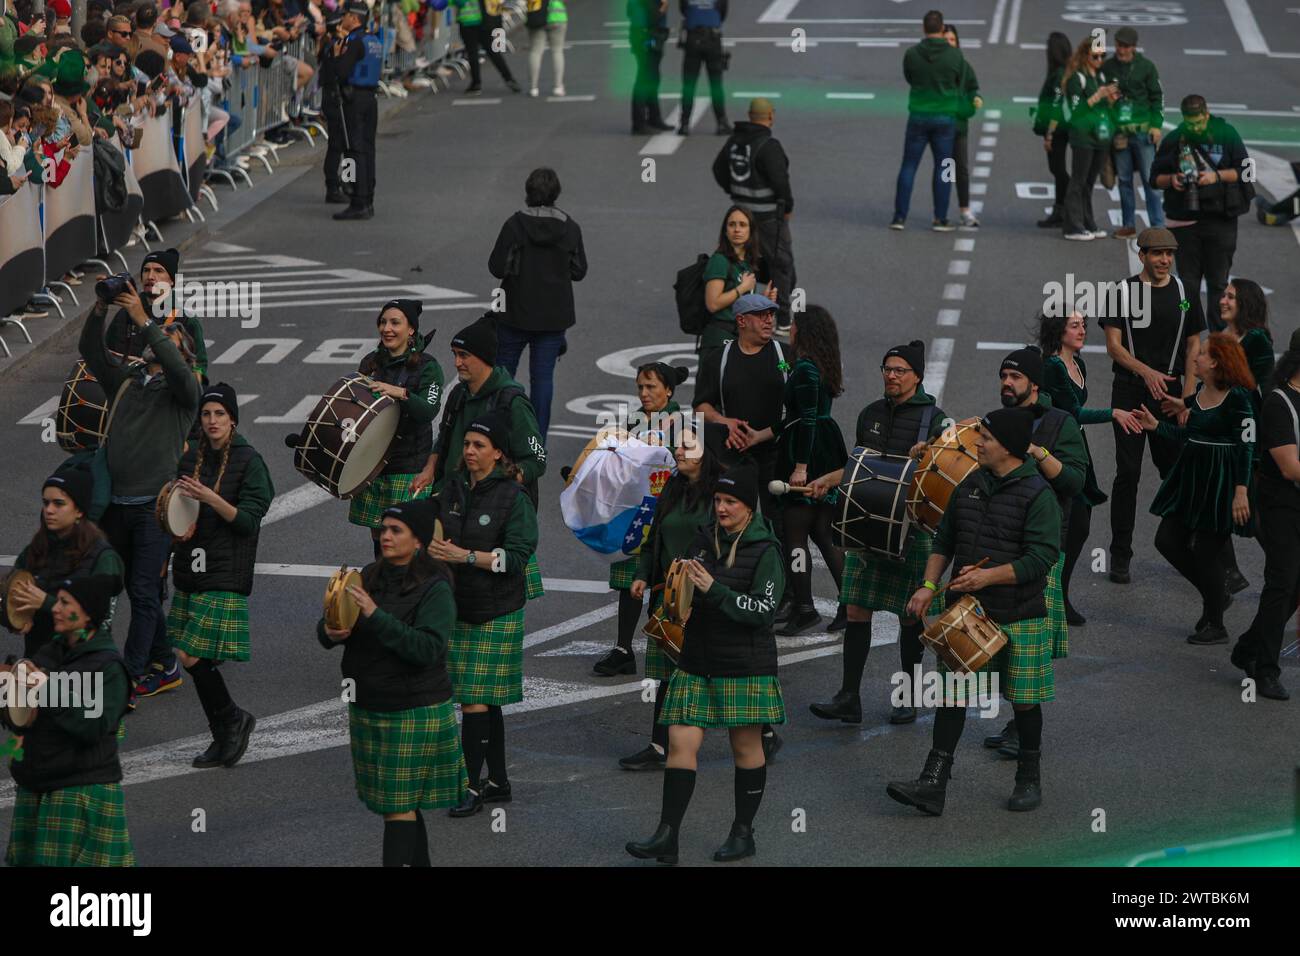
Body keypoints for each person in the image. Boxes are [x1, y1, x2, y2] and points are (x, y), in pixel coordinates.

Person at [887, 407, 1060, 816]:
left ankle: (1028, 778)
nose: (977, 443)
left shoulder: (1039, 495)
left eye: (986, 438)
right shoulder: (969, 484)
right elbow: (943, 540)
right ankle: (933, 784)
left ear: (1011, 448)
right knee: (951, 696)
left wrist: (987, 578)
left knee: (1023, 701)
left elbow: (1041, 558)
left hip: (1020, 613)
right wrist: (929, 586)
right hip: (968, 612)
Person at [625, 459, 786, 863]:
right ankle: (667, 835)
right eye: (718, 500)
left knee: (746, 746)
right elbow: (683, 589)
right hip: (697, 658)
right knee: (680, 741)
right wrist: (677, 597)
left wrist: (713, 590)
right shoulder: (702, 541)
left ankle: (742, 833)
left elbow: (762, 611)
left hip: (744, 664)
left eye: (731, 501)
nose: (722, 508)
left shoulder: (767, 551)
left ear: (749, 506)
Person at [317, 500, 469, 865]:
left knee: (397, 808)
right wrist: (332, 632)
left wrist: (374, 614)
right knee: (402, 806)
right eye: (384, 529)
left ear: (417, 540)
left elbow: (428, 649)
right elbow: (330, 628)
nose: (385, 535)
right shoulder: (368, 575)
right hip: (371, 703)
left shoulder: (436, 588)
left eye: (395, 530)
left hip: (414, 708)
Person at [808, 340, 948, 725]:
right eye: (887, 368)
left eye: (900, 370)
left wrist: (930, 454)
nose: (891, 375)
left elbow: (947, 473)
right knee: (855, 608)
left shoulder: (935, 420)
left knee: (910, 615)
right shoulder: (870, 413)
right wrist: (828, 479)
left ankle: (908, 696)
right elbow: (859, 466)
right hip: (867, 520)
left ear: (916, 376)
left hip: (911, 528)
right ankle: (849, 697)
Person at [81, 275, 202, 704]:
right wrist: (101, 307)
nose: (158, 334)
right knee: (118, 586)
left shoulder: (185, 392)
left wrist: (144, 319)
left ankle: (129, 678)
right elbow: (90, 354)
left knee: (146, 592)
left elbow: (178, 369)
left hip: (154, 507)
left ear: (181, 351)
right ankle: (165, 661)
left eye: (169, 334)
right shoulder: (131, 381)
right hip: (115, 504)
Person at [979, 347, 1088, 758]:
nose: (1007, 383)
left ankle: (1021, 733)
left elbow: (1076, 482)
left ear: (1035, 385)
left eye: (1016, 377)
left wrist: (1039, 454)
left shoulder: (1061, 423)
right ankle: (1017, 723)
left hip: (1042, 547)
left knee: (1029, 647)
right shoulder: (998, 421)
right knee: (1004, 643)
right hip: (999, 543)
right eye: (1003, 375)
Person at [433, 411, 539, 817]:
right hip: (461, 606)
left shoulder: (514, 498)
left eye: (479, 445)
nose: (470, 451)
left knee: (473, 700)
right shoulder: (454, 488)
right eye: (467, 444)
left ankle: (471, 787)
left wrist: (467, 557)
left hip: (497, 611)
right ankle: (498, 782)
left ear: (498, 453)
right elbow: (434, 525)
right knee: (485, 700)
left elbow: (516, 558)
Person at [168, 384, 273, 769]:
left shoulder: (250, 461)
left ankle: (231, 722)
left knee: (192, 654)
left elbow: (248, 522)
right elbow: (176, 513)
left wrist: (211, 498)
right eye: (207, 414)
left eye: (219, 414)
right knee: (189, 654)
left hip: (226, 569)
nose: (211, 421)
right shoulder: (190, 458)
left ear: (233, 419)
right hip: (190, 567)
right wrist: (177, 530)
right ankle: (227, 727)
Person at [3, 575, 135, 866]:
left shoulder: (109, 669)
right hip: (38, 786)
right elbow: (23, 717)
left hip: (78, 794)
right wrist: (8, 688)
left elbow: (94, 725)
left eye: (65, 603)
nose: (56, 609)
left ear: (88, 613)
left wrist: (47, 688)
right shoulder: (50, 652)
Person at [1100, 227, 1205, 583]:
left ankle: (1188, 543)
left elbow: (1194, 346)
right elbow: (1114, 346)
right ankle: (1120, 555)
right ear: (1141, 255)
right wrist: (1146, 372)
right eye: (1157, 253)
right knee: (1128, 473)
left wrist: (1188, 398)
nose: (1164, 260)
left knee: (1175, 470)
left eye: (1169, 254)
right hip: (1130, 390)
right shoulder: (1122, 292)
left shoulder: (1185, 292)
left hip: (1171, 394)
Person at [617, 427, 724, 769]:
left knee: (719, 673)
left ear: (707, 454)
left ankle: (761, 730)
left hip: (704, 599)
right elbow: (653, 541)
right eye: (678, 445)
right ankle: (659, 747)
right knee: (666, 675)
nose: (679, 451)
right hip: (670, 596)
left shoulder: (721, 495)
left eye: (689, 446)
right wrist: (640, 576)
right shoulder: (672, 489)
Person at [1138, 333, 1254, 644]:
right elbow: (1189, 436)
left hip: (1220, 485)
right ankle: (1216, 595)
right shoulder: (1201, 393)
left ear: (1216, 363)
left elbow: (1247, 448)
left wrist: (1241, 492)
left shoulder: (1239, 399)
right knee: (1167, 540)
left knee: (1206, 553)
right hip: (1191, 482)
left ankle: (1215, 623)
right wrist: (1155, 426)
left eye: (1202, 354)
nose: (1195, 358)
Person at [1039, 312, 1141, 625]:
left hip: (1075, 448)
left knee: (1080, 527)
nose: (1083, 329)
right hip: (1055, 449)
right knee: (1063, 527)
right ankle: (1050, 597)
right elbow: (1073, 411)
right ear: (1059, 331)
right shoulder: (1052, 366)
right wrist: (1114, 413)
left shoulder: (1078, 364)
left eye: (1084, 325)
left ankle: (1059, 594)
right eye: (1075, 325)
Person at [593, 363, 690, 677]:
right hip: (634, 510)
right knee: (628, 580)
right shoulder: (631, 420)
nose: (644, 394)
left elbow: (685, 466)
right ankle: (623, 649)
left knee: (666, 580)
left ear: (669, 391)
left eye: (651, 387)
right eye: (640, 388)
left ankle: (670, 645)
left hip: (669, 511)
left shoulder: (683, 424)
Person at [488, 167, 588, 441]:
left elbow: (497, 266)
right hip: (554, 318)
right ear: (556, 194)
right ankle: (536, 441)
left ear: (527, 193)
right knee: (542, 380)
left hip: (515, 314)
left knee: (504, 375)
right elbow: (579, 271)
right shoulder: (570, 227)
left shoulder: (515, 225)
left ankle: (496, 432)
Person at [766, 304, 847, 636]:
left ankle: (804, 607)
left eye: (794, 327)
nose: (790, 330)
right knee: (824, 533)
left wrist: (800, 467)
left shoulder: (807, 371)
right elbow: (789, 371)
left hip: (808, 451)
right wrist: (778, 357)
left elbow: (808, 417)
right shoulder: (813, 365)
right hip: (824, 448)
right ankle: (848, 604)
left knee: (794, 532)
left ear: (805, 331)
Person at [347, 300, 444, 559]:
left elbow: (428, 410)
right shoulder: (370, 362)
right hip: (373, 465)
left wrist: (401, 393)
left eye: (395, 322)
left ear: (411, 329)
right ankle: (384, 590)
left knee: (408, 538)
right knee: (381, 537)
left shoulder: (428, 366)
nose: (386, 328)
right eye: (383, 322)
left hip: (409, 467)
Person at [415, 314, 547, 501]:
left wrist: (497, 485)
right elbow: (444, 439)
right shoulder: (458, 394)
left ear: (484, 357)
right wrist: (429, 470)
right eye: (455, 354)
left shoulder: (513, 403)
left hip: (489, 509)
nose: (457, 363)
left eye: (464, 355)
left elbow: (537, 460)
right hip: (448, 499)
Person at [1234, 329, 1300, 701]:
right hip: (1281, 509)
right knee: (1282, 583)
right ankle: (1266, 669)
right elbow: (1290, 468)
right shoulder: (1278, 403)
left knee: (1295, 588)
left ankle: (1248, 647)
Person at [1150, 95, 1254, 332]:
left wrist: (1216, 176)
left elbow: (1247, 171)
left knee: (1218, 283)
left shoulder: (1226, 133)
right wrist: (1172, 179)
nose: (1195, 128)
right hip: (1185, 220)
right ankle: (1188, 331)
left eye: (1198, 122)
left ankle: (1218, 336)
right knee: (1188, 284)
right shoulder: (1176, 138)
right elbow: (1154, 178)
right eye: (1190, 123)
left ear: (1207, 115)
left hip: (1220, 219)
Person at [692, 293, 789, 530]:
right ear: (742, 321)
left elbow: (804, 405)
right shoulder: (718, 359)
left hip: (777, 455)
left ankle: (777, 566)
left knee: (778, 527)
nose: (769, 320)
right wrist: (724, 421)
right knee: (730, 524)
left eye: (771, 315)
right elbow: (701, 407)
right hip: (733, 457)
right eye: (761, 315)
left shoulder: (786, 355)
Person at [8, 471, 124, 659]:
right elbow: (9, 593)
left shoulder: (103, 558)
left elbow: (98, 627)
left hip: (81, 665)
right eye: (46, 503)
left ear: (79, 510)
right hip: (37, 660)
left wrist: (47, 603)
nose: (49, 510)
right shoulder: (35, 549)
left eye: (59, 503)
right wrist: (14, 618)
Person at [712, 98, 795, 335]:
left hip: (742, 214)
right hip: (768, 217)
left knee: (742, 263)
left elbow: (718, 169)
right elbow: (781, 182)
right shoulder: (769, 145)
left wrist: (733, 190)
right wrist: (787, 206)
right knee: (781, 265)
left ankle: (739, 312)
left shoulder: (734, 142)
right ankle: (782, 319)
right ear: (771, 116)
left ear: (750, 115)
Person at [1217, 277, 1272, 592]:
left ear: (1245, 305)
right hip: (1220, 437)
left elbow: (1260, 389)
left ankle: (1285, 569)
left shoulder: (1256, 341)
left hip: (1247, 438)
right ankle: (1230, 573)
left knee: (1255, 512)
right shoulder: (1222, 336)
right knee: (1214, 507)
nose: (1223, 300)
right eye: (1224, 295)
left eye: (1231, 297)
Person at [890, 10, 965, 232]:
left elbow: (909, 78)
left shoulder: (912, 54)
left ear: (924, 28)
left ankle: (899, 217)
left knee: (909, 166)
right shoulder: (955, 56)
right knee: (944, 167)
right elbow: (958, 80)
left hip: (919, 116)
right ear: (942, 29)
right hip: (945, 118)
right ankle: (940, 218)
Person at [102, 248, 209, 379]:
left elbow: (200, 365)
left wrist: (192, 383)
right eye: (146, 270)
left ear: (172, 281)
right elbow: (105, 352)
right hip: (128, 390)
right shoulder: (125, 313)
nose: (150, 276)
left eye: (159, 271)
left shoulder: (186, 319)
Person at [1103, 26, 1165, 239]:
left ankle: (1157, 226)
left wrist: (1156, 125)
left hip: (1142, 132)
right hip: (1120, 133)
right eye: (1119, 45)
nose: (1121, 50)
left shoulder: (1146, 67)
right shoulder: (1108, 67)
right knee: (1124, 180)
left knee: (1151, 181)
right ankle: (1128, 224)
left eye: (1126, 46)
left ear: (1134, 47)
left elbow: (1157, 98)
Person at [1060, 35, 1117, 240]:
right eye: (1096, 56)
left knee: (1089, 182)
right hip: (1083, 136)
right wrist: (1097, 96)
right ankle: (1072, 226)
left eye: (1103, 56)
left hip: (1100, 136)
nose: (1100, 60)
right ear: (1085, 56)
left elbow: (1105, 106)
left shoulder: (1099, 77)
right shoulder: (1078, 78)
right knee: (1078, 180)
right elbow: (1076, 111)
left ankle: (1088, 221)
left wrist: (1110, 99)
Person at [698, 204, 773, 354]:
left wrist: (762, 300)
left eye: (743, 225)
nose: (737, 229)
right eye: (732, 224)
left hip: (741, 334)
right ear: (725, 231)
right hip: (719, 336)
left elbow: (743, 304)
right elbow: (713, 304)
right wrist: (742, 288)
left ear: (751, 231)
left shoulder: (747, 263)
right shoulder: (719, 261)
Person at [330, 1, 379, 221]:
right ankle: (367, 198)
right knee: (368, 149)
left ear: (355, 18)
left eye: (346, 16)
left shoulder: (355, 40)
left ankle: (356, 199)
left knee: (352, 150)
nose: (343, 20)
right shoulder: (373, 40)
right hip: (371, 98)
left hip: (355, 99)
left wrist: (336, 54)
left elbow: (341, 70)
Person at [941, 23, 981, 228]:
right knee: (947, 169)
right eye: (945, 39)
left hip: (959, 126)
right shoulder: (937, 66)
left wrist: (974, 99)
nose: (949, 43)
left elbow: (973, 88)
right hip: (941, 126)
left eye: (952, 40)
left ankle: (965, 210)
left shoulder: (965, 66)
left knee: (962, 169)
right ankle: (942, 211)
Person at [1032, 32, 1071, 228]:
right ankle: (1061, 208)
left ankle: (1064, 208)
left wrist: (1049, 133)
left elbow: (1055, 103)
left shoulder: (1058, 75)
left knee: (1057, 169)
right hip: (1067, 126)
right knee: (1058, 169)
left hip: (1057, 128)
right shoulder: (1068, 70)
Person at [677, 0, 728, 136]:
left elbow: (683, 9)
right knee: (716, 84)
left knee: (689, 84)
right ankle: (721, 123)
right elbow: (722, 12)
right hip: (713, 38)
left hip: (693, 38)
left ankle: (684, 124)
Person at [318, 7, 351, 204]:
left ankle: (347, 183)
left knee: (345, 146)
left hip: (335, 98)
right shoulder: (333, 47)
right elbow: (335, 74)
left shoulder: (333, 45)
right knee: (338, 146)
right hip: (335, 99)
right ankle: (333, 187)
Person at [452, 0, 520, 95]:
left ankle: (476, 84)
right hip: (484, 20)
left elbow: (458, 2)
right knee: (492, 52)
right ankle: (509, 78)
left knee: (472, 53)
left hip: (467, 21)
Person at [628, 0, 670, 134]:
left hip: (644, 35)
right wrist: (663, 6)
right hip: (646, 36)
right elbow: (652, 17)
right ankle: (639, 123)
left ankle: (653, 117)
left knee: (652, 78)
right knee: (644, 80)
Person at [525, 0, 566, 98]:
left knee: (535, 52)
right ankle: (558, 87)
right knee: (557, 51)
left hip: (537, 14)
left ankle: (533, 88)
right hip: (557, 14)